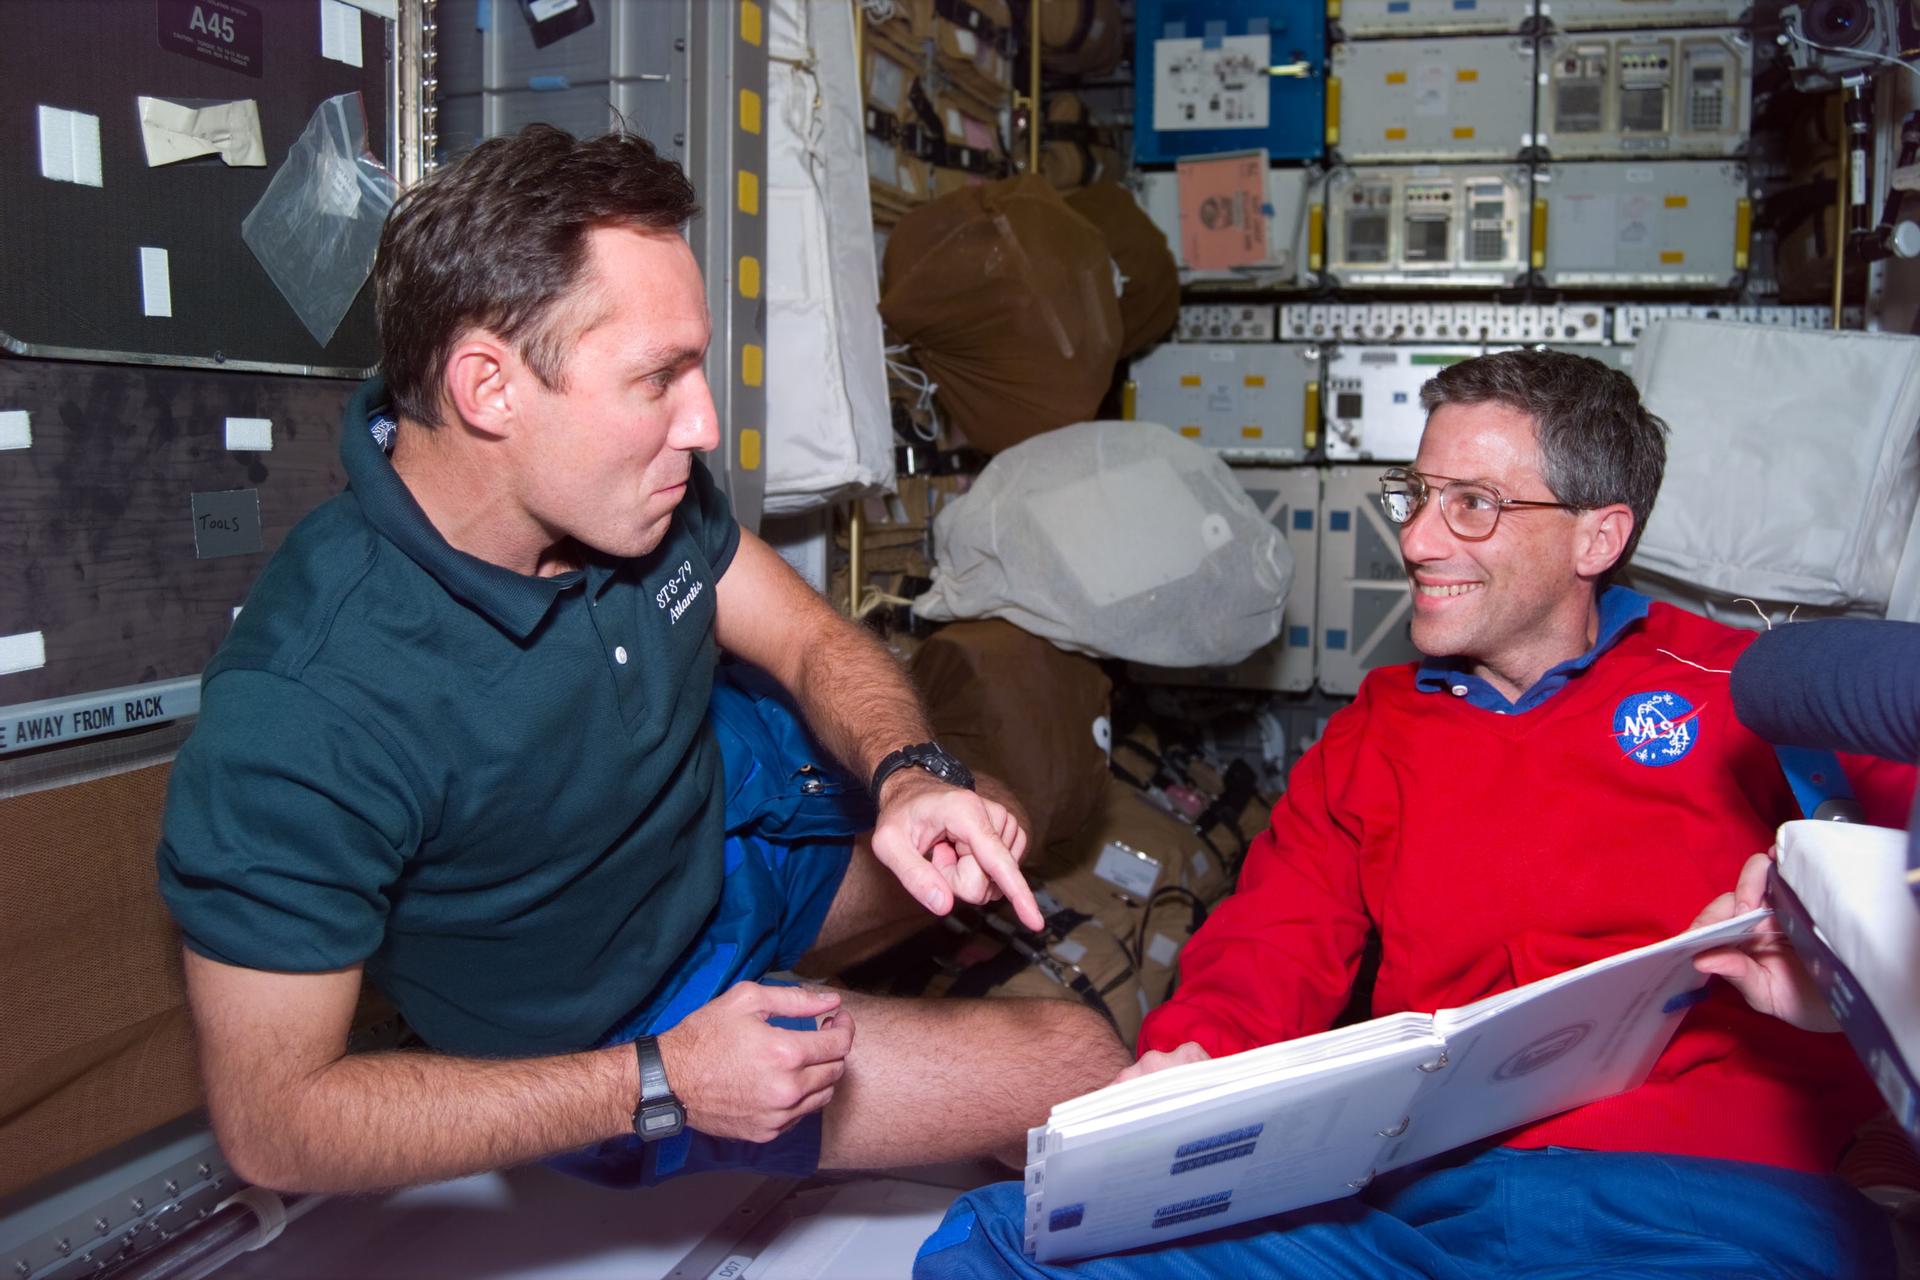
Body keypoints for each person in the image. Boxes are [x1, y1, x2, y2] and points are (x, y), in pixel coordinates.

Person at [155, 124, 1128, 1196]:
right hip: (625, 1023)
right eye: (659, 376)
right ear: (488, 388)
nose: (702, 424)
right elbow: (274, 1123)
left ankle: (803, 978)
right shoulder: (304, 712)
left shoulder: (618, 487)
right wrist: (665, 1080)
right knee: (1079, 1068)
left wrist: (905, 773)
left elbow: (805, 635)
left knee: (985, 807)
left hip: (724, 836)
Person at [916, 348, 1912, 1278]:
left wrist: (1848, 978)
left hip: (1702, 1207)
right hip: (1424, 1216)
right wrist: (1191, 1063)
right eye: (1417, 494)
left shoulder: (1762, 693)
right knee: (995, 1240)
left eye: (1471, 504)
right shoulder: (1377, 732)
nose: (1416, 538)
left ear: (1598, 536)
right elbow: (1272, 943)